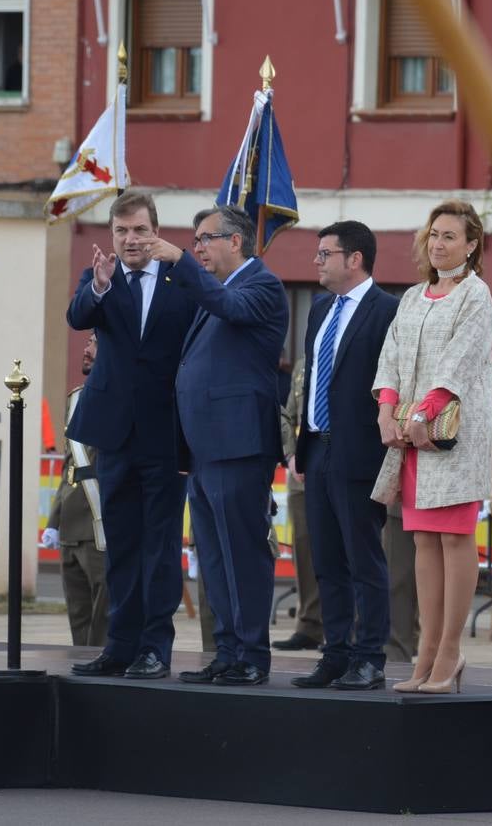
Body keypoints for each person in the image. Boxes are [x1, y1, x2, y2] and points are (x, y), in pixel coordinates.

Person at [146, 205, 288, 687]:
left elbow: (230, 310)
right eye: (195, 239)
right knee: (213, 556)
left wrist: (181, 262)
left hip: (238, 444)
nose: (199, 247)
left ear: (236, 242)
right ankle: (227, 651)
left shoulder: (261, 286)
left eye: (206, 239)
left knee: (242, 552)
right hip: (204, 448)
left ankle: (251, 655)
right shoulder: (219, 290)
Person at [66, 189, 195, 680]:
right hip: (115, 433)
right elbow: (77, 316)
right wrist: (98, 287)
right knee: (119, 543)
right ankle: (118, 645)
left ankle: (154, 649)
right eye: (121, 231)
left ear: (155, 230)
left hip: (166, 433)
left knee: (159, 546)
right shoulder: (99, 278)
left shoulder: (179, 278)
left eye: (139, 229)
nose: (130, 239)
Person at [372, 200, 492, 695]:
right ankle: (424, 653)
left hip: (451, 434)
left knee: (453, 538)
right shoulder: (412, 297)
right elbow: (391, 356)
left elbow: (461, 360)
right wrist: (387, 408)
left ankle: (450, 651)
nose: (439, 244)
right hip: (410, 435)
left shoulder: (477, 295)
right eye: (434, 235)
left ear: (471, 245)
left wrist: (425, 411)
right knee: (422, 540)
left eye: (450, 236)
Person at [290, 221, 400, 691]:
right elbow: (313, 380)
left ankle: (370, 655)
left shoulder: (388, 311)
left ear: (354, 259)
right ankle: (334, 654)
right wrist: (301, 445)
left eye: (324, 254)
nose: (316, 261)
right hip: (318, 449)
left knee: (363, 559)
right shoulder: (318, 309)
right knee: (327, 559)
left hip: (361, 452)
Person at [41, 334, 111, 647]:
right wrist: (54, 521)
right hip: (72, 524)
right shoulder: (76, 397)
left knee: (103, 617)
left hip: (100, 523)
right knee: (79, 617)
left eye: (93, 342)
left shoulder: (120, 395)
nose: (85, 349)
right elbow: (71, 465)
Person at [272, 358, 323, 652]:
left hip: (335, 466)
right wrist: (291, 456)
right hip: (301, 472)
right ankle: (310, 624)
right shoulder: (305, 365)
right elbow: (286, 415)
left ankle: (351, 627)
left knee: (342, 550)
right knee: (304, 548)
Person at [382, 499, 420, 662]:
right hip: (402, 495)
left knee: (440, 584)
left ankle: (442, 654)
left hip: (448, 495)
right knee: (397, 579)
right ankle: (396, 651)